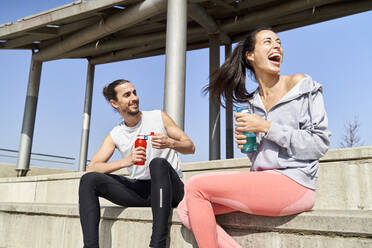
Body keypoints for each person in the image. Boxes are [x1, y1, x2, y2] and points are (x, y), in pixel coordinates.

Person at [177, 27, 331, 248]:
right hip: (265, 183)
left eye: (278, 42)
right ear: (250, 55)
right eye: (268, 42)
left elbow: (319, 144)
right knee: (185, 208)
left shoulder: (300, 85)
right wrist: (250, 148)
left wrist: (267, 127)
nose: (277, 46)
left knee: (195, 185)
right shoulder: (253, 103)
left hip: (295, 182)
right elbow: (262, 160)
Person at [79, 79, 195, 248]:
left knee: (158, 163)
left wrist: (170, 143)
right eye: (127, 95)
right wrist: (125, 162)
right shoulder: (116, 134)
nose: (134, 98)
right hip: (141, 190)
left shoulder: (158, 117)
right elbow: (93, 167)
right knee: (89, 180)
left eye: (134, 92)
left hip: (170, 189)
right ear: (115, 103)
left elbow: (190, 147)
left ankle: (157, 244)